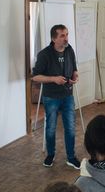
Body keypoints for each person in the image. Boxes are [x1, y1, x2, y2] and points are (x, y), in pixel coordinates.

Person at [32, 25, 81, 169]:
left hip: (67, 95)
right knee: (51, 128)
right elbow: (35, 77)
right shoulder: (44, 54)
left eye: (67, 34)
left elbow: (75, 70)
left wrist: (75, 77)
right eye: (62, 36)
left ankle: (71, 158)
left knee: (70, 128)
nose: (66, 38)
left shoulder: (70, 50)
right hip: (51, 97)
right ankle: (50, 155)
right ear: (54, 38)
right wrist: (54, 79)